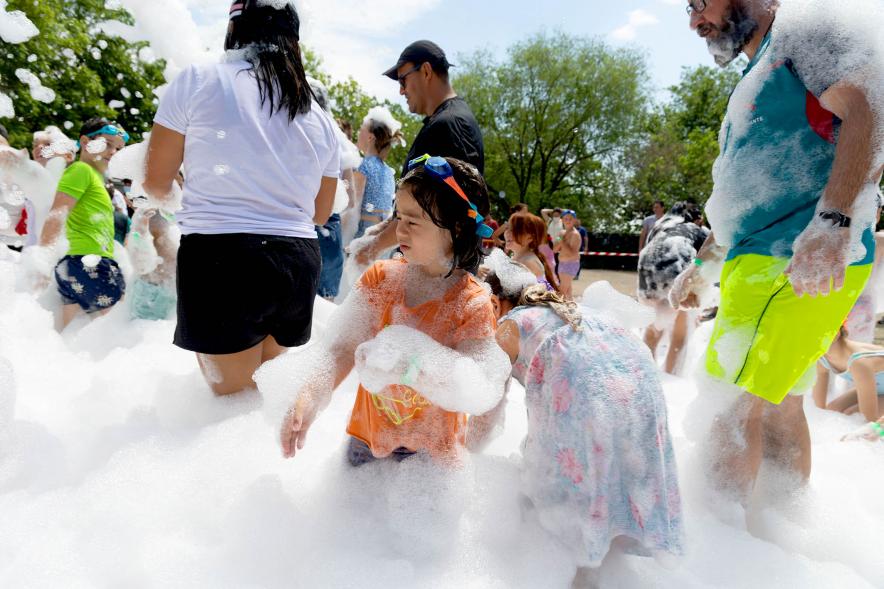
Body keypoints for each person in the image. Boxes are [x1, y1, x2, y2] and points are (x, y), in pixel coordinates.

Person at [670, 0, 884, 504]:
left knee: (731, 405)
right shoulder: (763, 67)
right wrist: (703, 264)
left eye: (701, 3)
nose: (695, 20)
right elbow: (742, 196)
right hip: (772, 258)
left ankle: (718, 561)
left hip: (791, 258)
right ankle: (778, 543)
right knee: (782, 402)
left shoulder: (804, 32)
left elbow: (870, 109)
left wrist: (833, 220)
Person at [142, 1, 340, 396]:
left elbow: (155, 182)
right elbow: (321, 212)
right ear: (293, 43)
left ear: (234, 31)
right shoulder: (319, 117)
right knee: (264, 404)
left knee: (227, 411)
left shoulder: (199, 80)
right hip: (297, 262)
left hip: (223, 256)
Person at [272, 156, 507, 465]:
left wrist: (410, 363)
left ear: (457, 227)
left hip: (431, 455)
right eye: (399, 217)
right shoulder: (382, 279)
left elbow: (476, 387)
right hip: (367, 441)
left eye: (413, 221)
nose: (400, 230)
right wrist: (309, 397)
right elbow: (341, 348)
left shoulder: (471, 303)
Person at [475, 251, 683, 585]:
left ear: (496, 303)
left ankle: (579, 569)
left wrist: (465, 458)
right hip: (643, 389)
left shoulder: (509, 324)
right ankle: (610, 550)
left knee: (562, 479)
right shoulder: (573, 308)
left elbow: (485, 411)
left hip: (588, 397)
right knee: (613, 469)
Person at [352, 40, 485, 264]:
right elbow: (417, 202)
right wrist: (382, 231)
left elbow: (437, 210)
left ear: (425, 71)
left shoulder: (450, 124)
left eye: (403, 79)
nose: (401, 90)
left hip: (443, 275)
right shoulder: (442, 122)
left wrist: (370, 250)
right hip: (435, 271)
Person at [33, 117, 128, 328]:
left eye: (118, 148)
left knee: (64, 334)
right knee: (116, 332)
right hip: (90, 263)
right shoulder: (81, 171)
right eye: (107, 144)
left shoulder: (94, 177)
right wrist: (40, 262)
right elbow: (57, 214)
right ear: (85, 142)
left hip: (77, 264)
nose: (113, 152)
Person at [638, 203, 709, 375]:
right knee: (680, 337)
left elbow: (648, 250)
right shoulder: (697, 230)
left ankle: (646, 379)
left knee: (653, 330)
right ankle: (670, 381)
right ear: (697, 219)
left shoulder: (660, 224)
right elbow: (705, 260)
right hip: (676, 270)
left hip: (646, 275)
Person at [814, 326, 884, 422]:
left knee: (854, 415)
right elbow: (819, 409)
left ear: (835, 334)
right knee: (832, 410)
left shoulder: (858, 361)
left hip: (876, 385)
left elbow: (869, 419)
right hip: (878, 388)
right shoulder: (823, 358)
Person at [353, 106, 401, 239]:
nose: (358, 132)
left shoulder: (363, 166)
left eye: (361, 128)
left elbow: (352, 209)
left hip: (359, 242)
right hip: (379, 243)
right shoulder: (388, 171)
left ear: (370, 137)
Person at [125, 207, 179, 321]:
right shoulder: (145, 239)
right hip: (150, 294)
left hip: (158, 293)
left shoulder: (170, 240)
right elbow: (140, 266)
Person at [502, 212, 558, 289]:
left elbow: (514, 294)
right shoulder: (519, 256)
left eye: (514, 230)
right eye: (507, 228)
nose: (508, 232)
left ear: (530, 237)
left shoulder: (528, 262)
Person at [553, 210, 582, 300]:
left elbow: (572, 253)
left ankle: (558, 311)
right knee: (568, 291)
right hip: (562, 264)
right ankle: (572, 308)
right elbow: (554, 249)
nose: (568, 220)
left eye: (570, 219)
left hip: (571, 264)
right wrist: (560, 240)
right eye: (566, 218)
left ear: (574, 220)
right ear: (562, 220)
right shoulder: (561, 233)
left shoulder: (575, 235)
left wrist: (562, 241)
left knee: (561, 291)